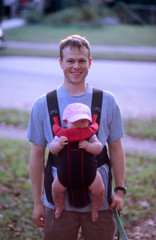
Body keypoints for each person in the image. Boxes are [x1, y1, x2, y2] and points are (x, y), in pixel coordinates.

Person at [28, 34, 126, 240]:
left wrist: (119, 191)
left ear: (89, 63)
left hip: (100, 203)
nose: (76, 66)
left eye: (82, 60)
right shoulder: (43, 104)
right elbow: (37, 155)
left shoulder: (107, 100)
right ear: (60, 63)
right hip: (58, 204)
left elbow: (116, 148)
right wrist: (38, 202)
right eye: (70, 61)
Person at [50, 102, 105, 222]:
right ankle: (59, 206)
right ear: (66, 122)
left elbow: (99, 147)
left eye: (83, 121)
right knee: (55, 188)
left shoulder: (89, 135)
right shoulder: (61, 136)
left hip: (89, 174)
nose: (80, 124)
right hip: (64, 175)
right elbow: (52, 149)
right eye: (75, 121)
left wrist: (88, 146)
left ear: (89, 122)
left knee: (99, 190)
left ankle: (95, 209)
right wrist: (59, 144)